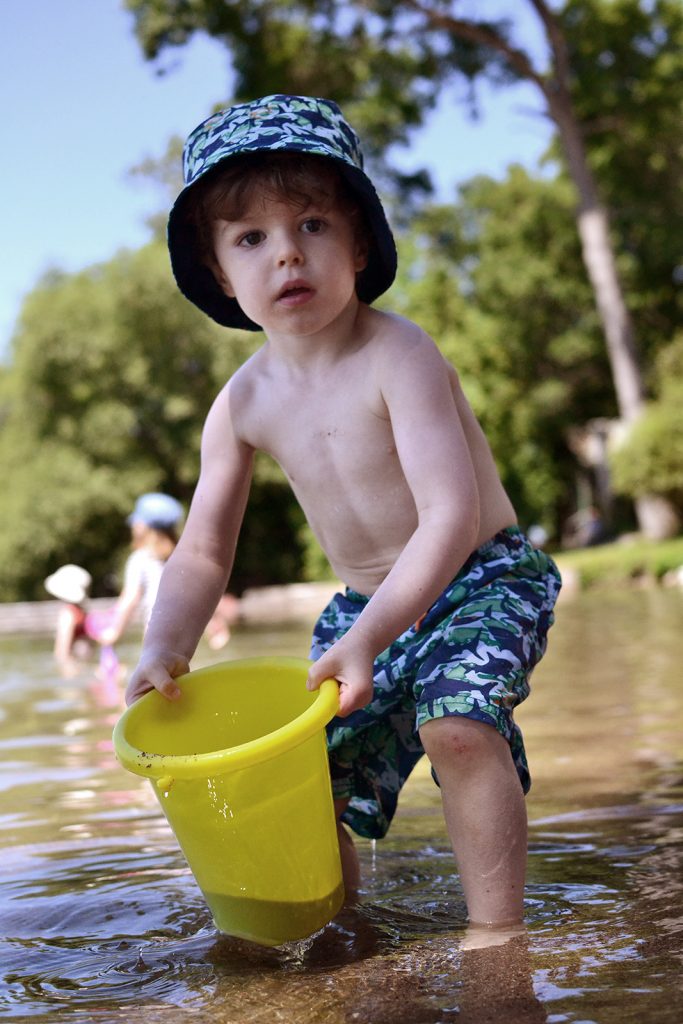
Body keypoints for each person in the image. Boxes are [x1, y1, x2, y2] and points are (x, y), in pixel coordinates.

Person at [125, 95, 562, 930]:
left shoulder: (398, 355)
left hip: (478, 577)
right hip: (366, 606)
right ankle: (336, 937)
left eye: (313, 224)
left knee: (458, 726)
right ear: (220, 273)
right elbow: (202, 553)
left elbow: (448, 514)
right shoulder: (241, 402)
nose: (286, 253)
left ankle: (496, 938)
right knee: (309, 772)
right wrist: (163, 646)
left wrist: (366, 643)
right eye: (250, 238)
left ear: (359, 242)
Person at [100, 492, 184, 645]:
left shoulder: (140, 559)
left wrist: (114, 631)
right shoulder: (181, 557)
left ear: (142, 527)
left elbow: (131, 598)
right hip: (185, 630)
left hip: (155, 631)